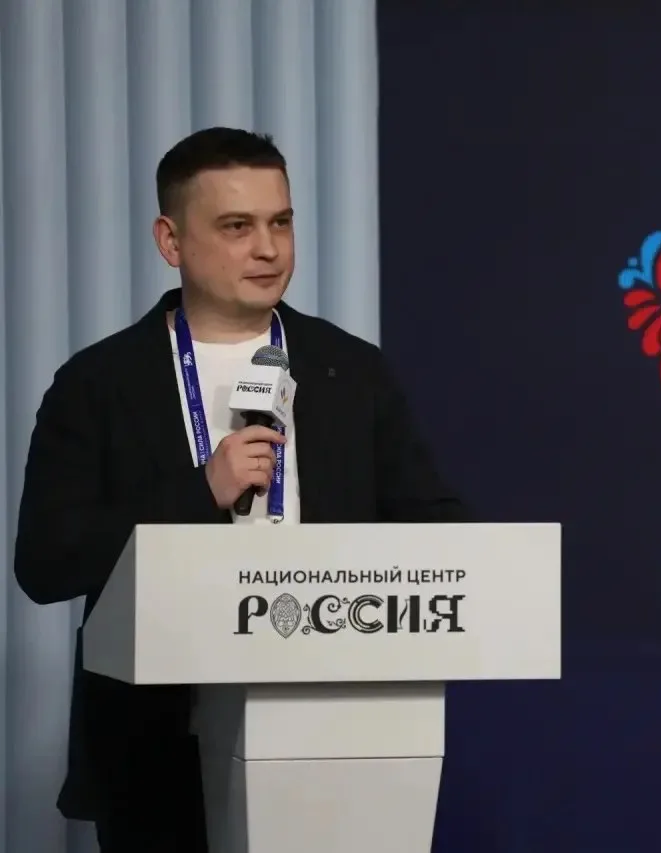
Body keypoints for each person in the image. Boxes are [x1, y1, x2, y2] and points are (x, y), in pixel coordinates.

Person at [11, 127, 465, 852]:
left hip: (336, 738)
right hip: (153, 753)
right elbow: (45, 563)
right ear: (171, 241)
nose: (268, 249)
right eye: (236, 226)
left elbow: (433, 522)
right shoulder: (98, 384)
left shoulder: (351, 370)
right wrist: (202, 491)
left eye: (280, 222)